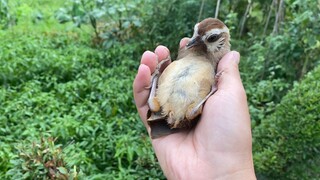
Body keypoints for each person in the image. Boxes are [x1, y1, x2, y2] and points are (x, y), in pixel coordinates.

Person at [133, 38, 256, 179]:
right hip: (172, 106)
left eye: (210, 38)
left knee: (157, 103)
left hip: (176, 108)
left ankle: (162, 91)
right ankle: (159, 87)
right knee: (157, 102)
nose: (194, 40)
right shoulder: (196, 60)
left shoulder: (211, 64)